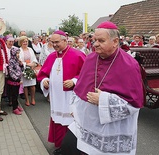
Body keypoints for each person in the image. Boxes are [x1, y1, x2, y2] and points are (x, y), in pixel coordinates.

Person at [61, 21, 144, 155]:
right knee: (67, 147)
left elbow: (134, 104)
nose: (95, 44)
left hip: (111, 128)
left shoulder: (129, 65)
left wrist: (104, 100)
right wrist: (75, 107)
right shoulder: (90, 58)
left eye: (101, 40)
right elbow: (80, 87)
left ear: (115, 41)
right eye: (94, 40)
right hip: (86, 121)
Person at [37, 30, 86, 155]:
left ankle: (71, 148)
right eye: (52, 42)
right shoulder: (52, 56)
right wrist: (45, 81)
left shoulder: (77, 54)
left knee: (70, 121)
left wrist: (74, 81)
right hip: (56, 96)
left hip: (70, 96)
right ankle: (60, 145)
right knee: (58, 120)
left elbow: (86, 74)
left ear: (65, 40)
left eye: (57, 42)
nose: (54, 45)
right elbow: (43, 74)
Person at [19, 36, 38, 106]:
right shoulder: (19, 50)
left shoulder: (30, 49)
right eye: (23, 42)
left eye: (26, 41)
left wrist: (33, 64)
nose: (25, 43)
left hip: (31, 69)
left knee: (32, 85)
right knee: (25, 86)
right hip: (24, 69)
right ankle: (27, 100)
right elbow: (19, 60)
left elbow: (34, 58)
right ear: (20, 43)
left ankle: (33, 98)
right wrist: (26, 64)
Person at [7, 46, 24, 115]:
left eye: (18, 53)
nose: (18, 55)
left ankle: (16, 106)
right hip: (13, 81)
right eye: (17, 53)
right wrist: (17, 79)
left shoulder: (17, 60)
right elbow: (11, 72)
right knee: (14, 95)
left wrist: (21, 65)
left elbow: (21, 69)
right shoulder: (11, 61)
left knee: (16, 95)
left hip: (18, 80)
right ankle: (14, 108)